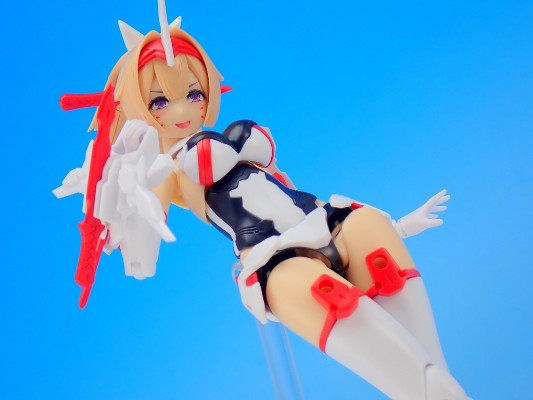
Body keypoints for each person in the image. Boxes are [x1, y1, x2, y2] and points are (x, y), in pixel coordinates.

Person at [55, 2, 471, 399]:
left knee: (370, 231)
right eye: (160, 101)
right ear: (137, 107)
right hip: (274, 257)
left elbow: (282, 189)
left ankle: (442, 388)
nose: (181, 110)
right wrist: (122, 203)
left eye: (194, 94)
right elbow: (147, 230)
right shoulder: (169, 168)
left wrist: (398, 227)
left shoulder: (226, 139)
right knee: (324, 296)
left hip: (323, 220)